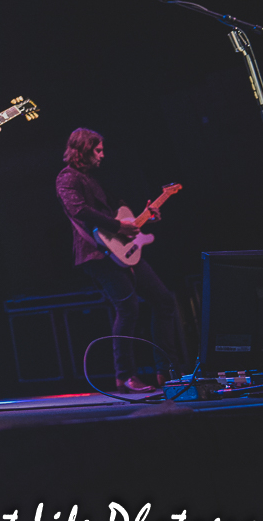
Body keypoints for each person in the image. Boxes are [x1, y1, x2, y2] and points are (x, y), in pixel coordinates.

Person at [55, 127, 182, 393]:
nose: (102, 155)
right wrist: (117, 226)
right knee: (128, 308)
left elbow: (121, 215)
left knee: (164, 300)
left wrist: (147, 215)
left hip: (121, 249)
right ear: (83, 150)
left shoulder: (97, 179)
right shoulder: (67, 177)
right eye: (97, 150)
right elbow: (77, 209)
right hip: (95, 253)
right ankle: (124, 375)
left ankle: (167, 370)